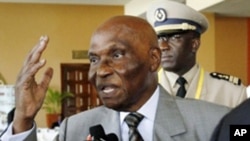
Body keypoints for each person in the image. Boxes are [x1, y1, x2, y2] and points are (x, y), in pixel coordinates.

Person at [1, 15, 230, 141]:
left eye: (117, 54)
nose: (100, 71)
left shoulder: (215, 122)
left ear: (153, 59)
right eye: (93, 59)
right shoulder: (77, 128)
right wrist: (22, 119)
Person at [146, 0, 247, 108]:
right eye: (159, 38)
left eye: (175, 37)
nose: (163, 46)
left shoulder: (231, 92)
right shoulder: (141, 90)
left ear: (194, 44)